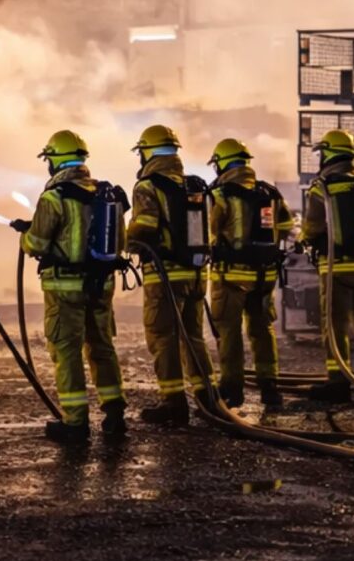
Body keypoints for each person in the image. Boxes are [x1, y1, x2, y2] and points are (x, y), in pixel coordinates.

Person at [11, 130, 128, 444]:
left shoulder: (54, 196)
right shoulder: (107, 195)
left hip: (65, 288)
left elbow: (35, 243)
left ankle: (75, 423)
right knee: (102, 347)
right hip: (101, 286)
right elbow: (121, 242)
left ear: (55, 159)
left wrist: (26, 234)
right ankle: (115, 414)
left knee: (68, 352)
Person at [125, 124, 213, 426]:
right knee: (194, 337)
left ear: (146, 152)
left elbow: (145, 227)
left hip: (164, 277)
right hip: (197, 274)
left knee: (163, 336)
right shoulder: (194, 185)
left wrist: (123, 240)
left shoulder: (148, 186)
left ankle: (173, 403)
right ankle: (207, 399)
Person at [299, 129, 354, 402]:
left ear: (327, 154)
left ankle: (338, 382)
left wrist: (304, 239)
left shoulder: (323, 187)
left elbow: (312, 227)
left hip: (337, 268)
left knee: (335, 324)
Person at [206, 138, 293, 411]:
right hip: (264, 277)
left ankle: (232, 388)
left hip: (230, 277)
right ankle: (270, 387)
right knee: (262, 329)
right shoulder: (269, 192)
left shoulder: (219, 195)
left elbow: (206, 233)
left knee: (229, 331)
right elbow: (288, 224)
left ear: (221, 162)